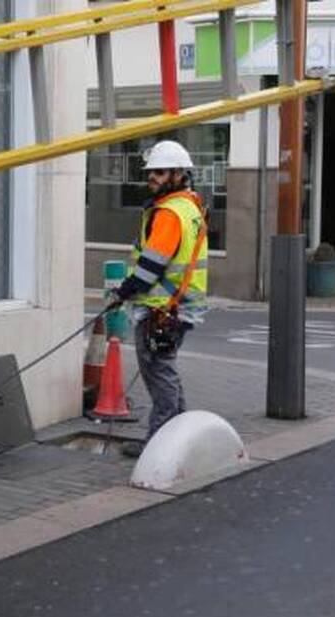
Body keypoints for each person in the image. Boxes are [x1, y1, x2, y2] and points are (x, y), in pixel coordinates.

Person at [109, 140, 209, 458]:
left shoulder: (168, 213)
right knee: (165, 370)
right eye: (151, 172)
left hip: (162, 308)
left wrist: (123, 292)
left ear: (179, 174)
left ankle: (160, 442)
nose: (152, 178)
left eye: (160, 172)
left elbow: (151, 266)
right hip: (178, 306)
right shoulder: (190, 207)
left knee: (159, 373)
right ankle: (180, 435)